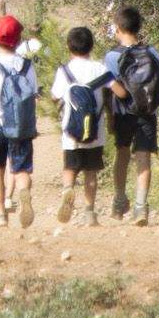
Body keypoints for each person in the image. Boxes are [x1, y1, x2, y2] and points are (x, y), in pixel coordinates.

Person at [0, 12, 39, 226]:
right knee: (21, 168)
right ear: (19, 40)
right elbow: (34, 93)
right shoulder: (27, 66)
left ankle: (1, 213)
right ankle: (23, 191)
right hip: (21, 124)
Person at [105, 4, 159, 226]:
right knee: (143, 157)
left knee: (122, 154)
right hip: (147, 113)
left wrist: (110, 116)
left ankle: (120, 199)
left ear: (118, 28)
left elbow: (111, 88)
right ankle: (141, 207)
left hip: (123, 113)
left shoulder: (112, 56)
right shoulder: (152, 52)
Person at [50, 22, 112, 226]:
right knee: (91, 172)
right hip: (95, 132)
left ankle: (68, 189)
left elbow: (54, 96)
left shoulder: (64, 71)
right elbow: (119, 91)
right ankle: (89, 213)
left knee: (70, 167)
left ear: (69, 46)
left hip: (72, 133)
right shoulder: (100, 69)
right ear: (92, 46)